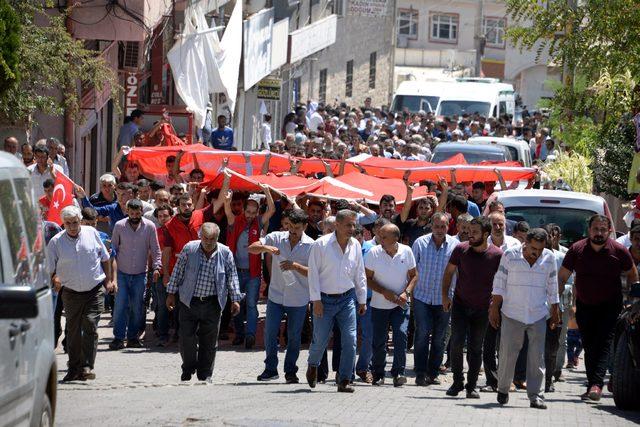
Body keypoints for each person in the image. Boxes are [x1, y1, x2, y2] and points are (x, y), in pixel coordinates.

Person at [558, 214, 639, 402]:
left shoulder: (618, 251)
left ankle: (596, 384)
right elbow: (562, 276)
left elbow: (633, 275)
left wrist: (632, 300)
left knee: (603, 344)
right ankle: (592, 384)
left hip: (611, 306)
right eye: (596, 229)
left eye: (603, 230)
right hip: (585, 306)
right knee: (589, 345)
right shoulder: (577, 250)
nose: (599, 233)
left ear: (609, 231)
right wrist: (557, 302)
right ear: (589, 230)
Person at [490, 228, 560, 410]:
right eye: (532, 248)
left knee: (537, 357)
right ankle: (503, 389)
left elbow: (553, 285)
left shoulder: (549, 258)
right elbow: (499, 283)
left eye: (540, 249)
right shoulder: (509, 255)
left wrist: (555, 310)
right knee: (507, 354)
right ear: (526, 243)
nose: (535, 253)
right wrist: (494, 308)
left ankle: (536, 395)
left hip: (537, 314)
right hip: (512, 312)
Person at [166, 223, 242, 382]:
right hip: (189, 301)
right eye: (205, 238)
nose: (208, 242)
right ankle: (188, 367)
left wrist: (235, 299)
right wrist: (171, 293)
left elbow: (232, 276)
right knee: (186, 338)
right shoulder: (190, 249)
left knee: (209, 341)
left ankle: (205, 373)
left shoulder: (225, 252)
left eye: (212, 239)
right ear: (200, 236)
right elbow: (178, 272)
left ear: (217, 238)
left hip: (212, 303)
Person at [47, 206, 114, 381]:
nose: (72, 226)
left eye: (75, 222)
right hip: (70, 292)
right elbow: (48, 268)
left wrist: (108, 280)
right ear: (63, 224)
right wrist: (54, 278)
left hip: (94, 289)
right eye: (68, 223)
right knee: (73, 330)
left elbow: (105, 258)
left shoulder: (91, 232)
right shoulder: (56, 242)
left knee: (90, 324)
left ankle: (86, 366)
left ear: (80, 220)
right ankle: (73, 367)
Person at [306, 209, 368, 393]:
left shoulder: (355, 245)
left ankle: (344, 379)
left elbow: (359, 273)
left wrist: (362, 299)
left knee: (350, 339)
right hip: (324, 300)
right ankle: (313, 364)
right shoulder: (321, 244)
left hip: (347, 299)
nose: (352, 228)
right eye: (348, 224)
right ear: (337, 225)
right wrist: (316, 300)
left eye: (354, 224)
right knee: (320, 340)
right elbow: (313, 274)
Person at [249, 209, 314, 383]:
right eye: (290, 226)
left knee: (294, 336)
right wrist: (264, 247)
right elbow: (251, 248)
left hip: (298, 298)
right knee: (270, 333)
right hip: (276, 296)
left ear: (305, 226)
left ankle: (290, 371)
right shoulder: (276, 237)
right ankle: (270, 369)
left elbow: (315, 274)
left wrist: (295, 267)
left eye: (297, 228)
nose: (292, 231)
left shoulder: (312, 246)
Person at [442, 217, 503, 398]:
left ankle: (472, 386)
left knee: (477, 348)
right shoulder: (461, 249)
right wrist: (445, 296)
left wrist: (495, 307)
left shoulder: (497, 255)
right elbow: (448, 273)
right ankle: (457, 381)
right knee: (457, 343)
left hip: (483, 309)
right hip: (460, 304)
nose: (470, 235)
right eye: (469, 231)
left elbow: (502, 283)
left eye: (475, 232)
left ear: (486, 234)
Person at [366, 224, 417, 387]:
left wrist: (406, 292)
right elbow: (366, 279)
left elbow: (414, 276)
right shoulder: (373, 252)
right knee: (379, 340)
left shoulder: (406, 251)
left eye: (384, 236)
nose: (380, 239)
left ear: (396, 238)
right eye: (380, 236)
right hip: (379, 305)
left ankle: (398, 373)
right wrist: (383, 291)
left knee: (401, 336)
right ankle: (378, 374)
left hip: (400, 304)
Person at [411, 212, 458, 386]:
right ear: (431, 226)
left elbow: (457, 273)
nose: (439, 230)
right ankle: (420, 372)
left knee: (440, 337)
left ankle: (433, 372)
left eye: (443, 226)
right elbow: (412, 269)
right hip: (422, 296)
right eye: (436, 226)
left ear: (448, 227)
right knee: (422, 334)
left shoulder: (455, 245)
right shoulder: (420, 243)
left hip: (444, 299)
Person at [109, 199, 162, 350]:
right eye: (131, 213)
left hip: (140, 274)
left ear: (141, 212)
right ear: (127, 212)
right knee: (120, 306)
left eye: (137, 213)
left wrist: (157, 267)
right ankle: (118, 338)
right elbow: (113, 250)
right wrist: (111, 276)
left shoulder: (150, 226)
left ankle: (132, 337)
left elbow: (156, 249)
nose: (134, 215)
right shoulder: (119, 226)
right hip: (122, 273)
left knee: (137, 307)